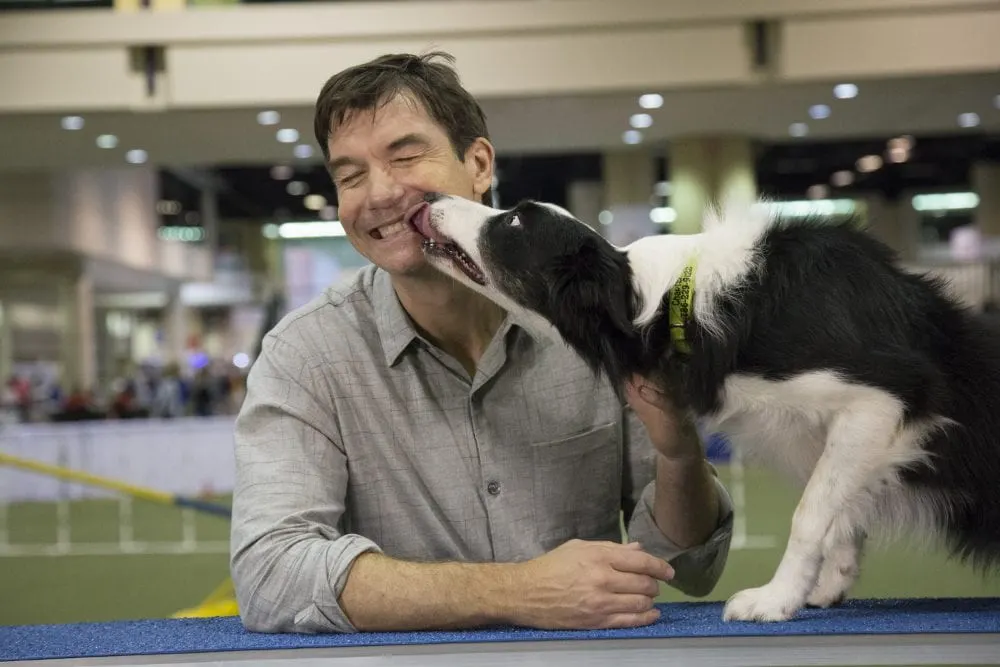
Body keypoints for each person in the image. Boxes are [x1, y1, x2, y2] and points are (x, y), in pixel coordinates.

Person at [230, 51, 734, 635]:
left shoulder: (600, 320)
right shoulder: (305, 356)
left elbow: (688, 566)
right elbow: (270, 574)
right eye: (349, 176)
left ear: (479, 163)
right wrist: (520, 591)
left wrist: (678, 454)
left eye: (406, 155)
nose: (379, 193)